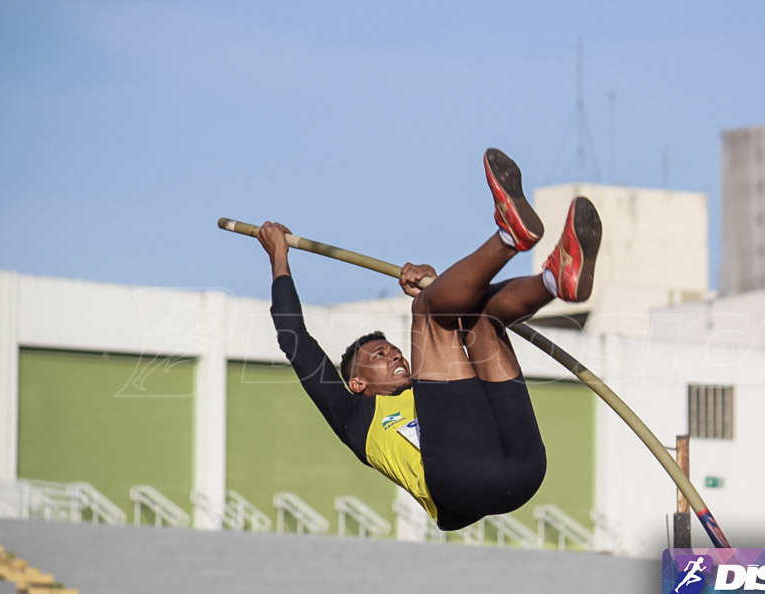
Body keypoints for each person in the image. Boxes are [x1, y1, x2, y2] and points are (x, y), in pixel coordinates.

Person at [258, 148, 602, 531]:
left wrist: (440, 287)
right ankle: (508, 236)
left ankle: (555, 280)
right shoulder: (352, 414)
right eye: (378, 355)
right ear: (358, 384)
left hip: (524, 468)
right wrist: (279, 256)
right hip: (460, 485)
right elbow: (295, 341)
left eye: (392, 349)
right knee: (426, 311)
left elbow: (455, 323)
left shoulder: (434, 384)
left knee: (482, 323)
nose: (395, 355)